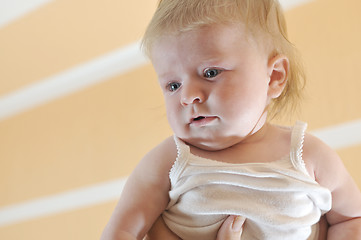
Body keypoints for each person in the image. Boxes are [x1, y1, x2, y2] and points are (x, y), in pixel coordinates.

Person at [101, 0, 361, 239]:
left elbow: (352, 219)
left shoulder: (309, 156)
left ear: (273, 77)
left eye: (210, 72)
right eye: (173, 85)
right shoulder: (169, 161)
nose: (188, 96)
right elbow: (121, 231)